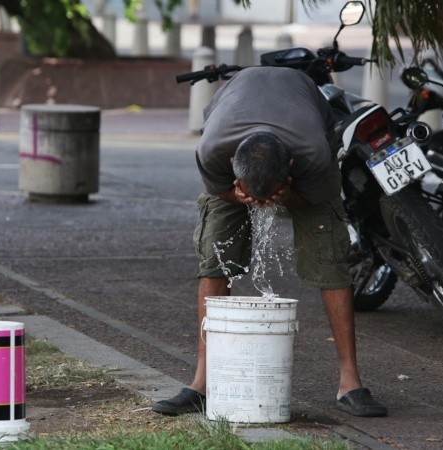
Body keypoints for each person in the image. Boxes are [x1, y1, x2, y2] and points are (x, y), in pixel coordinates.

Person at [151, 66, 387, 418]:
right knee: (214, 261)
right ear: (234, 166)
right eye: (250, 193)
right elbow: (217, 190)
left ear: (290, 167)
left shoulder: (313, 155)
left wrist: (289, 196)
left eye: (272, 193)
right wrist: (238, 197)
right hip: (238, 100)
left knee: (331, 263)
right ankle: (202, 383)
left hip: (301, 109)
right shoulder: (213, 149)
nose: (265, 203)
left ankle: (350, 383)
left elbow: (314, 199)